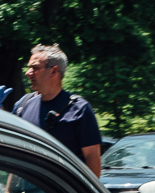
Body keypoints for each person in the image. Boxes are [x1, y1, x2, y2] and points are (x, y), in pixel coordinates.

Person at [13, 45, 102, 176]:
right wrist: (9, 192)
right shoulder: (22, 106)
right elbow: (16, 154)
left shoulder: (79, 110)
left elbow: (93, 159)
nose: (28, 73)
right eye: (29, 68)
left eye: (35, 68)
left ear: (53, 72)